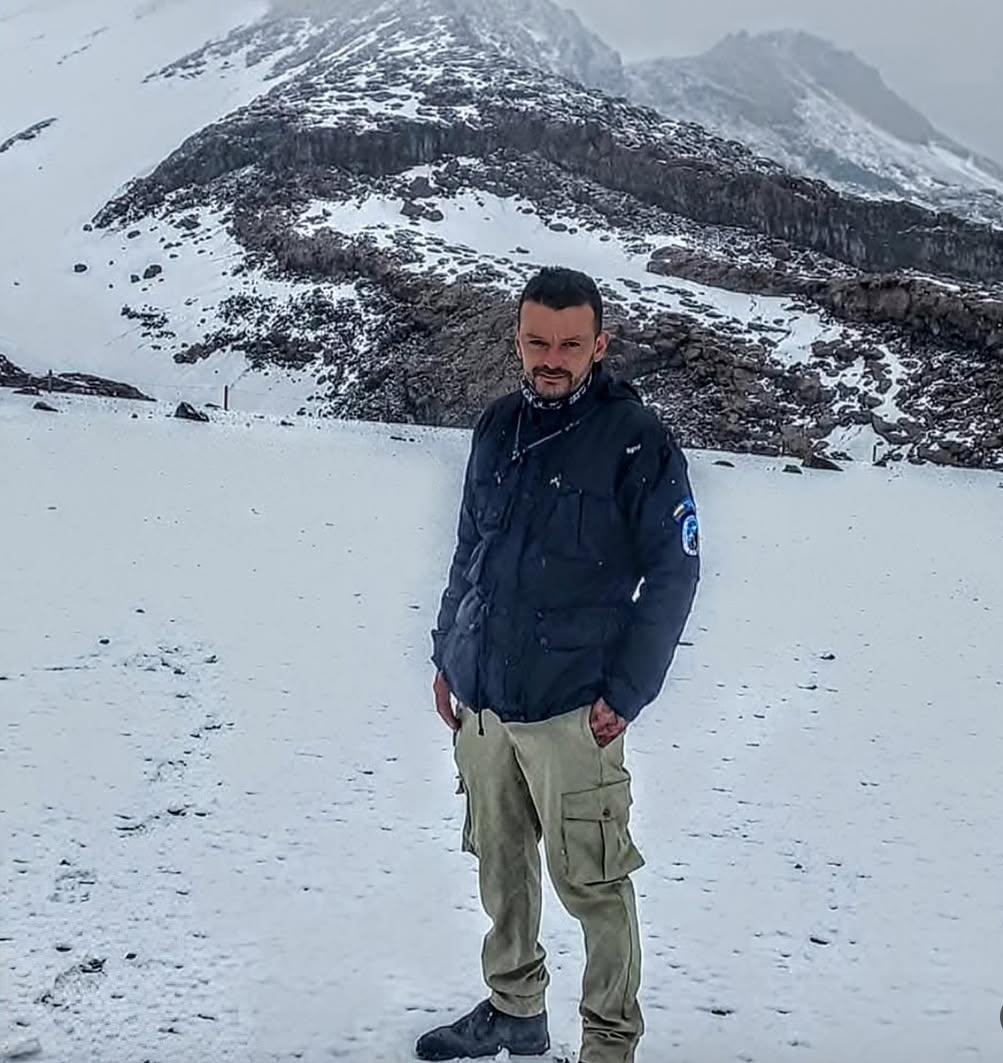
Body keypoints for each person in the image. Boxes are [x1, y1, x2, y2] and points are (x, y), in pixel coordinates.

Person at [418, 266, 701, 1063]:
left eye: (569, 344)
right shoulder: (495, 426)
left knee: (593, 881)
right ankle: (515, 1006)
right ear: (517, 339)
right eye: (537, 341)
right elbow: (469, 549)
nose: (551, 358)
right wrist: (447, 653)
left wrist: (629, 690)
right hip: (484, 697)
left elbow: (674, 570)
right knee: (500, 863)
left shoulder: (635, 438)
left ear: (598, 345)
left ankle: (608, 1043)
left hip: (575, 706)